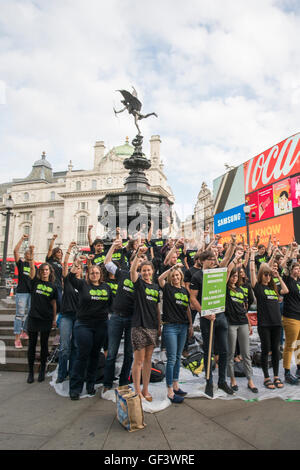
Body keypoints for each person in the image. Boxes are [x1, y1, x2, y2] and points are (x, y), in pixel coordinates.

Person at [190, 236, 236, 398]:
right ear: (203, 261)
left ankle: (222, 381)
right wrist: (204, 312)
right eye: (210, 259)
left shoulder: (218, 271)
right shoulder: (197, 277)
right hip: (206, 318)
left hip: (221, 316)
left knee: (224, 350)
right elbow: (193, 298)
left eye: (214, 259)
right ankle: (209, 381)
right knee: (208, 350)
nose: (213, 261)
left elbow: (228, 258)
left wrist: (233, 244)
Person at [103, 240, 148, 393]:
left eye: (143, 259)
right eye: (138, 258)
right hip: (116, 317)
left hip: (132, 321)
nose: (140, 261)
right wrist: (112, 247)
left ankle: (123, 383)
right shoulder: (122, 273)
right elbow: (107, 262)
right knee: (111, 353)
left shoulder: (144, 282)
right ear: (131, 261)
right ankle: (107, 383)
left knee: (129, 355)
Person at [68, 261, 112, 400]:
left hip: (101, 325)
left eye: (97, 273)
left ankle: (90, 384)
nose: (94, 275)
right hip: (84, 325)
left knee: (94, 355)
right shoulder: (82, 284)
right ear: (88, 274)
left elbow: (112, 304)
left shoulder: (107, 287)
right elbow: (69, 278)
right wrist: (76, 265)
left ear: (101, 275)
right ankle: (75, 388)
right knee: (82, 355)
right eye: (92, 273)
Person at [250, 247, 289, 390]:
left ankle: (276, 376)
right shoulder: (258, 288)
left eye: (269, 275)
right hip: (265, 324)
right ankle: (267, 377)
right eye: (265, 274)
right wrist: (252, 256)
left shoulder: (273, 288)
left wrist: (277, 276)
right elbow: (253, 272)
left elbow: (285, 290)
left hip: (276, 323)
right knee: (266, 350)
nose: (267, 277)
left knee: (276, 350)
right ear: (261, 275)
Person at [130, 247, 161, 401]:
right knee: (139, 360)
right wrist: (138, 255)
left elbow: (156, 308)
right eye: (143, 270)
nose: (146, 273)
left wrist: (159, 326)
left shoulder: (155, 287)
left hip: (152, 326)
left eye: (148, 270)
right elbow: (131, 273)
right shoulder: (139, 284)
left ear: (153, 271)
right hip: (139, 326)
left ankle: (146, 389)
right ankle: (136, 390)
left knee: (148, 360)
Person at [158, 266, 193, 403]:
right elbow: (160, 278)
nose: (176, 278)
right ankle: (170, 391)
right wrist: (172, 268)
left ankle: (176, 385)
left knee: (178, 357)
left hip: (183, 326)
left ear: (181, 277)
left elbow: (188, 308)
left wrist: (190, 324)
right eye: (173, 276)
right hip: (170, 326)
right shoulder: (167, 288)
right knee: (172, 359)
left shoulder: (185, 291)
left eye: (178, 275)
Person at [27, 246, 57, 384]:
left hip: (46, 318)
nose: (44, 272)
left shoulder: (53, 287)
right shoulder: (35, 282)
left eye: (46, 270)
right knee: (32, 345)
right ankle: (30, 372)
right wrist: (32, 257)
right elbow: (32, 270)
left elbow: (54, 304)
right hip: (34, 317)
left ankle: (42, 370)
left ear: (49, 272)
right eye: (42, 270)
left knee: (44, 345)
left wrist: (54, 318)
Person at [225, 265, 258, 393]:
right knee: (231, 353)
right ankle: (232, 379)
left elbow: (244, 308)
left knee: (245, 353)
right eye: (232, 276)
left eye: (236, 276)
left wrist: (249, 323)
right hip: (231, 323)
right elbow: (227, 273)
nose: (234, 278)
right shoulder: (226, 290)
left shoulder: (240, 290)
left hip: (243, 322)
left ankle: (250, 380)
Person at [56, 242, 81, 384]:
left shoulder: (83, 283)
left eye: (78, 268)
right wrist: (70, 249)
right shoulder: (68, 281)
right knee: (64, 347)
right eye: (75, 267)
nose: (76, 269)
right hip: (66, 316)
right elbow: (65, 264)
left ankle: (72, 372)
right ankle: (61, 373)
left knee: (76, 346)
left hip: (78, 318)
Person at [13, 234, 36, 349]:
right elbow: (15, 251)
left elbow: (32, 276)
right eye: (27, 253)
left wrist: (32, 255)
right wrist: (22, 239)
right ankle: (17, 339)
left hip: (31, 293)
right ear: (24, 255)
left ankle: (25, 330)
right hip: (22, 292)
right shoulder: (21, 263)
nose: (29, 255)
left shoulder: (34, 266)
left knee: (31, 313)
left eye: (30, 254)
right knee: (19, 315)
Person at [282, 262, 300, 384]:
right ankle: (287, 372)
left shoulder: (299, 282)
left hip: (299, 316)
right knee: (290, 345)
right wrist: (291, 251)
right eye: (296, 268)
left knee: (299, 344)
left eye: (299, 268)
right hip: (291, 317)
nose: (298, 270)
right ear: (291, 270)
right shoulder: (287, 280)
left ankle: (299, 367)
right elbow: (284, 266)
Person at [46, 234, 63, 319]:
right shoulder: (50, 260)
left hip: (59, 286)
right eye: (58, 252)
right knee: (49, 303)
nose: (60, 254)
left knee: (59, 303)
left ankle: (54, 319)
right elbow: (49, 249)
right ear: (54, 253)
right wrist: (53, 239)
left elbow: (61, 276)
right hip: (51, 284)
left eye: (61, 252)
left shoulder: (60, 264)